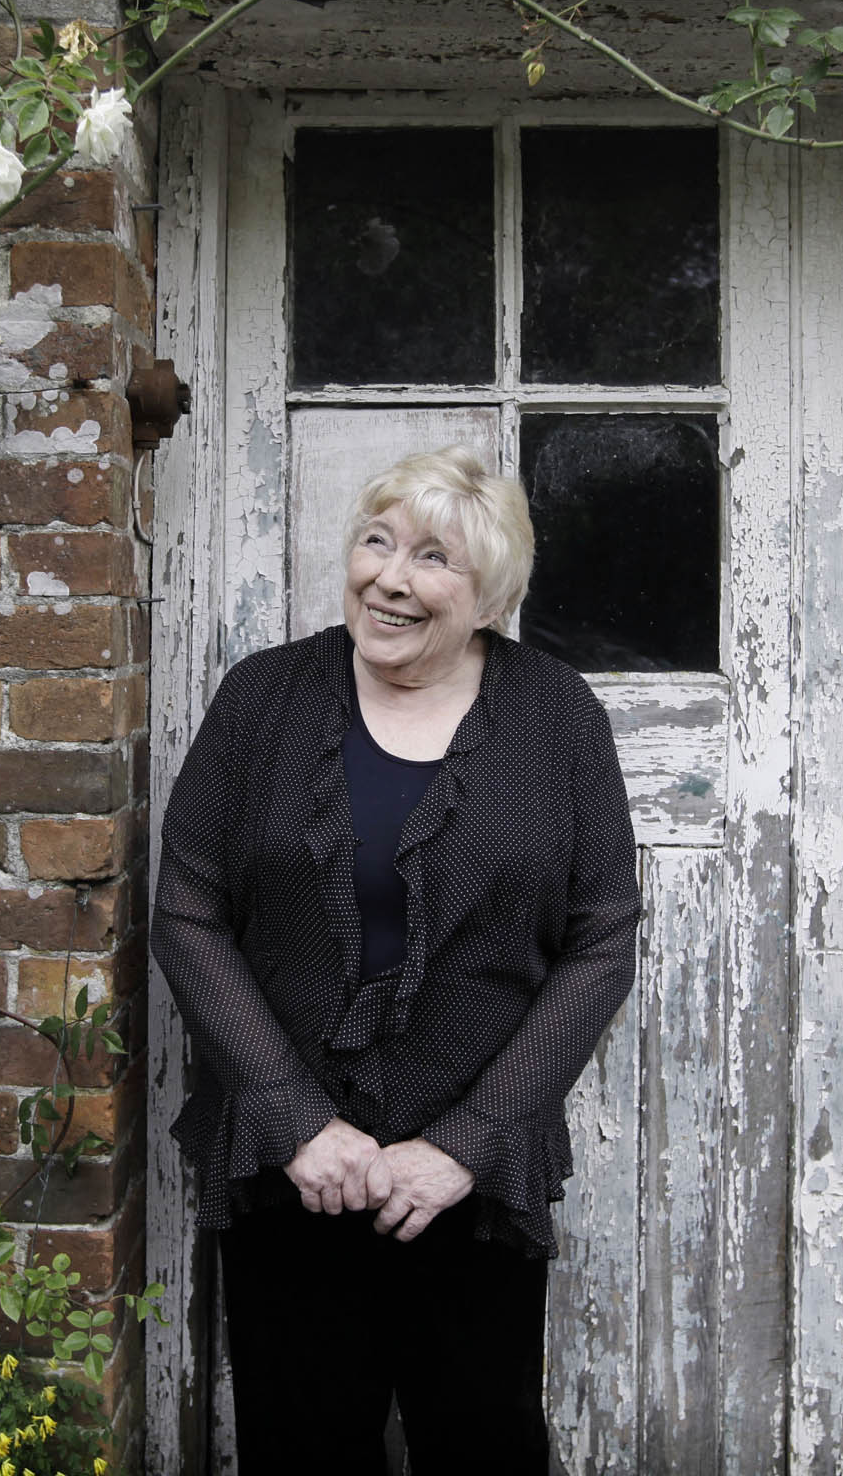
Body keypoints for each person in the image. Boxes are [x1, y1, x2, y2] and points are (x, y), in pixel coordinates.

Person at [151, 445, 641, 1475]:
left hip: (471, 1179)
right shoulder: (264, 700)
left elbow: (602, 940)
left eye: (433, 559)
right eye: (377, 542)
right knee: (302, 1444)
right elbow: (188, 911)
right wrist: (293, 1118)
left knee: (482, 1441)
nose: (390, 578)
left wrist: (467, 1141)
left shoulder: (557, 719)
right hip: (293, 1176)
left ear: (491, 596)